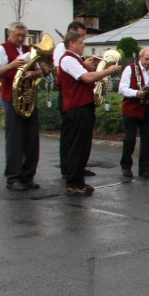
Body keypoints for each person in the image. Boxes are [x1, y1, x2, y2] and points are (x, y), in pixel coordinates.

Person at [58, 30, 120, 196]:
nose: (84, 45)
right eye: (81, 43)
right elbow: (86, 78)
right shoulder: (68, 59)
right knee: (77, 146)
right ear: (72, 44)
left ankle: (79, 181)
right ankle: (73, 183)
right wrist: (109, 70)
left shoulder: (76, 59)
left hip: (83, 106)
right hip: (76, 108)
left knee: (83, 146)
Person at [0, 21, 41, 191]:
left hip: (28, 97)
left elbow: (42, 71)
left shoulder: (28, 50)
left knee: (32, 139)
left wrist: (34, 72)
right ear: (9, 34)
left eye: (23, 36)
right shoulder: (1, 49)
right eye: (17, 35)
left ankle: (28, 176)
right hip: (11, 97)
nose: (20, 39)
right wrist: (11, 66)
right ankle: (13, 177)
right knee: (15, 139)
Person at [55, 21, 94, 179]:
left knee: (81, 139)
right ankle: (68, 169)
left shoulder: (75, 54)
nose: (83, 41)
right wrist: (83, 65)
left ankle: (78, 168)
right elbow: (60, 71)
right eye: (81, 37)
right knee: (70, 136)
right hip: (69, 96)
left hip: (80, 97)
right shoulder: (61, 50)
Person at [119, 48, 149, 179]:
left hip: (148, 109)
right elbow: (122, 88)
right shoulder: (130, 69)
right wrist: (136, 93)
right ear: (141, 57)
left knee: (146, 141)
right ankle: (126, 166)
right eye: (146, 59)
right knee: (130, 139)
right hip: (132, 108)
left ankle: (144, 169)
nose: (148, 62)